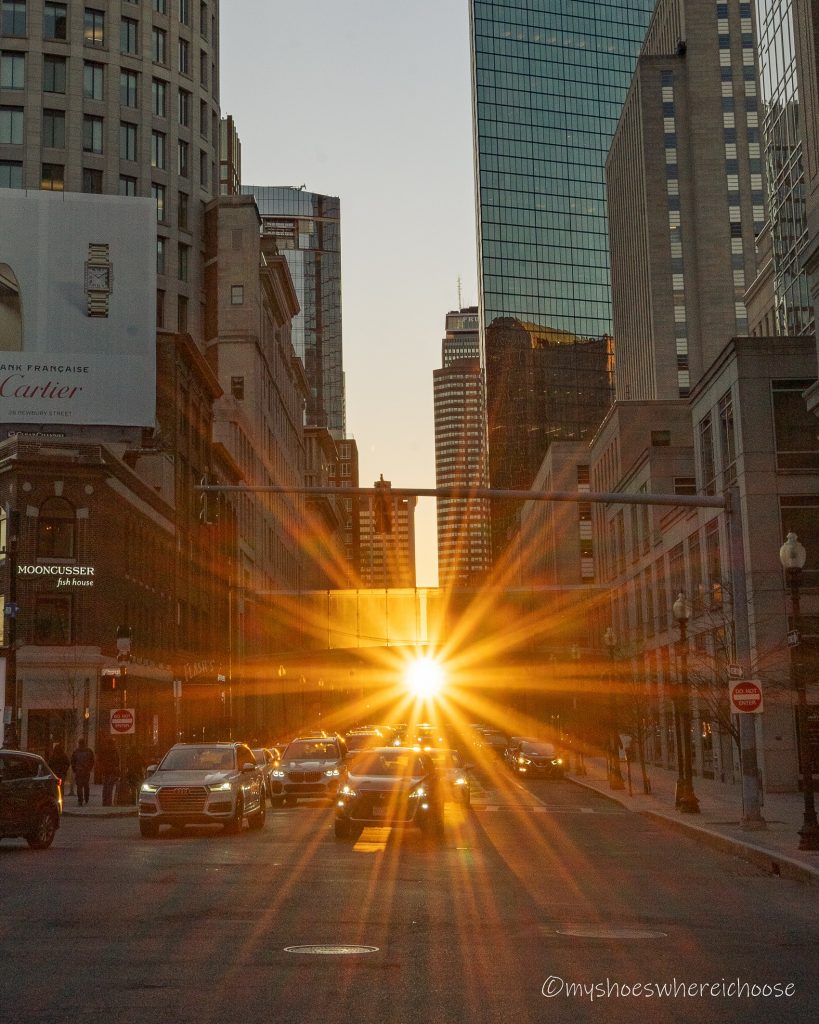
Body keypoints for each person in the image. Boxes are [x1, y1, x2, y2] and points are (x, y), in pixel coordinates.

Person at [71, 737, 95, 807]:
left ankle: (80, 800)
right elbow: (92, 761)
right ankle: (86, 798)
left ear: (79, 743)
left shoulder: (76, 751)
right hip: (86, 771)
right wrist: (89, 768)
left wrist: (74, 769)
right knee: (86, 785)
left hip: (79, 771)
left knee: (79, 786)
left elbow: (73, 761)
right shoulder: (89, 751)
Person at [97, 736, 119, 807]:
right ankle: (108, 802)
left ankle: (104, 801)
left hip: (105, 770)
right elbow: (117, 761)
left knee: (105, 786)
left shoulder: (104, 750)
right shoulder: (114, 751)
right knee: (110, 787)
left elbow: (99, 759)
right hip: (112, 771)